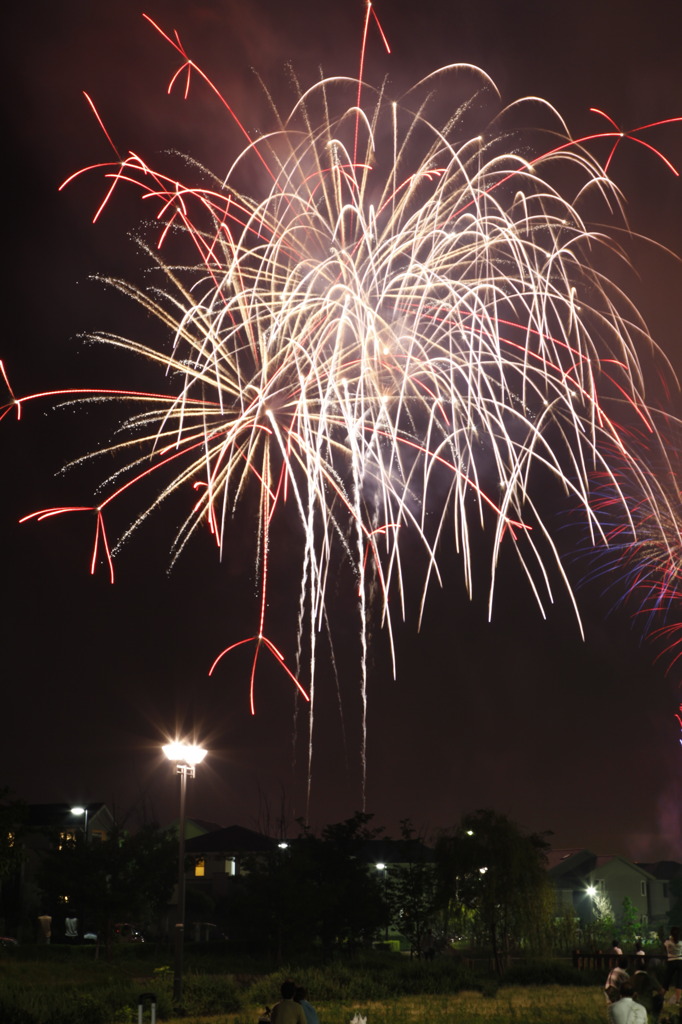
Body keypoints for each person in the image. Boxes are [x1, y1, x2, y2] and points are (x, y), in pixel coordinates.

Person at [663, 926, 682, 1006]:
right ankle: (677, 1001)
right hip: (680, 961)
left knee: (667, 980)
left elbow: (664, 947)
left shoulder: (668, 942)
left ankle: (661, 998)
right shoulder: (681, 943)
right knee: (679, 982)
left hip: (671, 961)